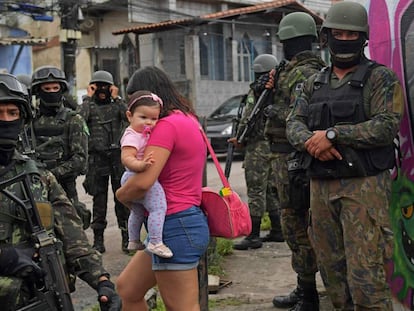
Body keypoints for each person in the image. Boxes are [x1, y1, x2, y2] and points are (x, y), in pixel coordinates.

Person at [286, 2, 403, 309]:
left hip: (363, 188)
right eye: (338, 33)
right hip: (321, 188)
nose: (344, 39)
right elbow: (293, 123)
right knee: (332, 273)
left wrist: (334, 135)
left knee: (367, 276)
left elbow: (385, 126)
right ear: (326, 38)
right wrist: (313, 142)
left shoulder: (381, 78)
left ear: (363, 38)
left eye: (351, 34)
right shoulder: (314, 82)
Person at [0, 72, 120, 310]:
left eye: (12, 113)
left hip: (37, 297)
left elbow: (72, 236)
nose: (5, 120)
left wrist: (102, 281)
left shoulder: (38, 176)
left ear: (22, 119)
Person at [115, 66, 210, 310]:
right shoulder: (188, 119)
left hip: (174, 225)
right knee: (128, 288)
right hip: (183, 223)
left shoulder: (166, 126)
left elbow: (143, 182)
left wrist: (121, 195)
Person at [263, 12, 326, 311]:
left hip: (293, 158)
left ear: (289, 42)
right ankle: (305, 287)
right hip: (286, 157)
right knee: (297, 223)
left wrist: (272, 111)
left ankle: (309, 294)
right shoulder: (292, 70)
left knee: (296, 224)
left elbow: (300, 115)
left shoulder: (304, 72)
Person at [229, 53, 284, 251]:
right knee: (269, 189)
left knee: (255, 190)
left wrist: (240, 138)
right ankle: (278, 230)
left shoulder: (258, 91)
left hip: (257, 147)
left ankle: (253, 235)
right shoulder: (278, 90)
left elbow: (248, 118)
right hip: (273, 145)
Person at [29, 65, 92, 230]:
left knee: (73, 241)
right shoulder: (29, 121)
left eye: (55, 88)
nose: (51, 91)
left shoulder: (74, 119)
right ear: (38, 91)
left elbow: (80, 160)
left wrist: (50, 175)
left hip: (65, 191)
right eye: (46, 88)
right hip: (35, 191)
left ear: (62, 89)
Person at [78, 70, 130, 253]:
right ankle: (98, 241)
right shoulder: (88, 106)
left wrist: (117, 98)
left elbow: (129, 117)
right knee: (99, 203)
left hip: (117, 159)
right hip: (97, 160)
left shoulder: (117, 106)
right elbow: (79, 120)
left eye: (105, 86)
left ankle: (127, 238)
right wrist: (87, 97)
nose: (101, 90)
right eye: (97, 86)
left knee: (122, 199)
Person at [121, 90, 173, 258]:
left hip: (132, 176)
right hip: (135, 174)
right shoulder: (131, 135)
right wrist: (141, 165)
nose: (149, 123)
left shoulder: (140, 132)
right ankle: (156, 241)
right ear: (130, 115)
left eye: (153, 119)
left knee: (137, 210)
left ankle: (133, 239)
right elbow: (126, 157)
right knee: (158, 208)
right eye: (143, 118)